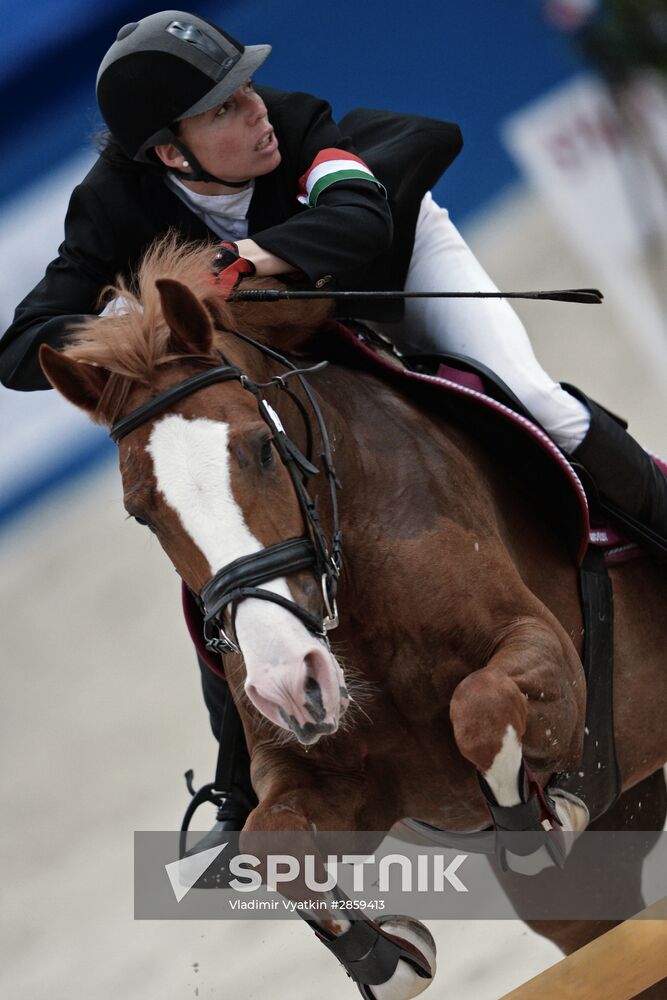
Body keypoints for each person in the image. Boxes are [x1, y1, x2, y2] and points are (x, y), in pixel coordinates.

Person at [2, 10, 666, 842]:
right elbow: (21, 346)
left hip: (391, 273)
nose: (254, 112)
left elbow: (359, 222)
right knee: (223, 548)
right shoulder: (108, 206)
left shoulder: (298, 123)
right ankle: (239, 790)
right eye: (222, 108)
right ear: (169, 153)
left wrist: (244, 265)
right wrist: (117, 325)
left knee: (540, 402)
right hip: (283, 348)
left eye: (244, 89)